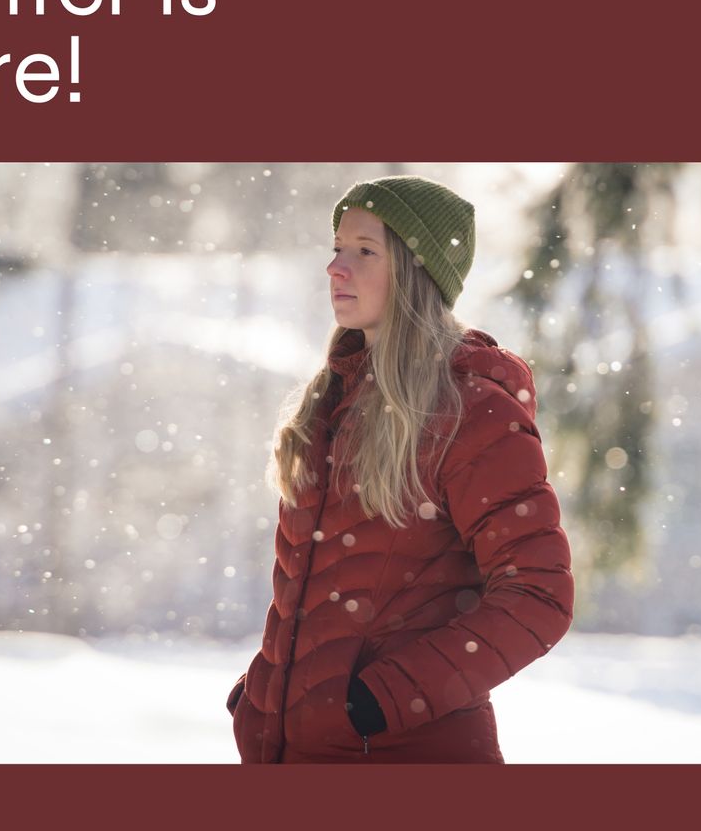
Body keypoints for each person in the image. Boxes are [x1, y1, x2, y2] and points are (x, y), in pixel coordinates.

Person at [225, 174, 574, 763]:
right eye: (337, 248)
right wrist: (264, 692)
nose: (336, 268)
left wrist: (381, 701)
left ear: (417, 272)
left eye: (365, 251)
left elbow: (539, 594)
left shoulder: (472, 409)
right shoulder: (329, 400)